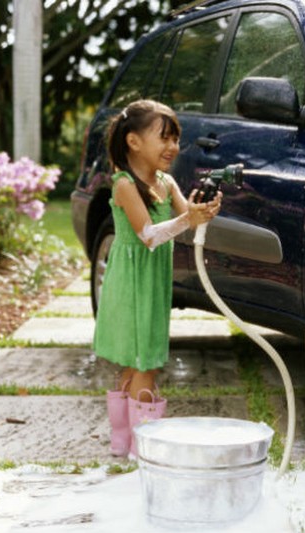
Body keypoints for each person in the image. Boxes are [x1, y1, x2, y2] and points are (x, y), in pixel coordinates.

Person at [93, 99, 221, 457]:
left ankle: (123, 442)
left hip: (151, 283)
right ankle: (140, 449)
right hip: (131, 284)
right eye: (164, 138)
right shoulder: (123, 185)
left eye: (176, 139)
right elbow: (149, 235)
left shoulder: (166, 182)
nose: (173, 147)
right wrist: (187, 220)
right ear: (133, 142)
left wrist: (204, 211)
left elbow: (188, 217)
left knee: (138, 362)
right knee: (144, 362)